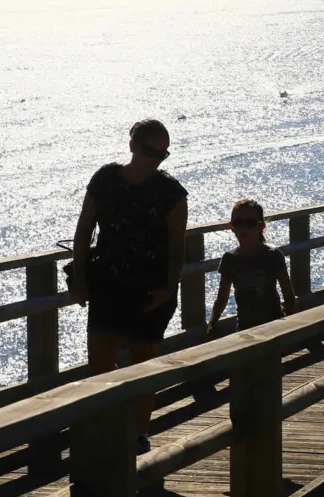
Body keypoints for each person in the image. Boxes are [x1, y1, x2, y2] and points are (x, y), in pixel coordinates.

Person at [70, 119, 187, 455]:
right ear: (132, 144)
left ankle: (139, 433)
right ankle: (110, 426)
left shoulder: (173, 194)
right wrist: (79, 277)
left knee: (143, 365)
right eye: (151, 151)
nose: (157, 159)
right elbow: (83, 231)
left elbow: (177, 249)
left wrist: (168, 288)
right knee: (100, 364)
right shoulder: (105, 179)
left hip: (150, 291)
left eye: (163, 153)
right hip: (107, 284)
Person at [207, 199, 296, 335]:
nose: (244, 228)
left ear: (261, 227)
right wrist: (212, 323)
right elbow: (222, 296)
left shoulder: (273, 256)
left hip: (275, 326)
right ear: (232, 226)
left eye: (250, 223)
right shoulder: (229, 259)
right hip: (245, 328)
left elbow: (288, 294)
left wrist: (290, 328)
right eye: (238, 223)